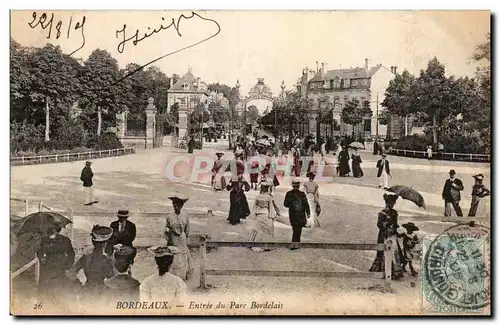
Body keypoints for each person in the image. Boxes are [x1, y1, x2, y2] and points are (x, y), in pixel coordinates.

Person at [68, 225, 115, 306]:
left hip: (87, 292)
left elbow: (71, 273)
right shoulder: (107, 260)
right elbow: (112, 279)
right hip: (102, 294)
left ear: (93, 242)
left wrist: (79, 285)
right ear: (105, 244)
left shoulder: (86, 257)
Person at [36, 225, 75, 307]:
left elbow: (71, 254)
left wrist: (68, 267)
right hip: (49, 266)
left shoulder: (64, 239)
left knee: (58, 288)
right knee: (48, 289)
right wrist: (41, 258)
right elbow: (39, 252)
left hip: (59, 267)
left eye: (53, 228)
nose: (51, 230)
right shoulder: (45, 239)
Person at [369, 192, 403, 280]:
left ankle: (395, 272)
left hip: (392, 235)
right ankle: (383, 271)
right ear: (387, 203)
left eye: (393, 204)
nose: (392, 205)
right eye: (390, 203)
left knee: (394, 252)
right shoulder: (382, 213)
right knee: (383, 252)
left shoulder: (395, 213)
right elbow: (379, 225)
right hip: (384, 235)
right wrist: (387, 222)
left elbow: (396, 224)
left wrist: (395, 228)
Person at [165, 195, 194, 281]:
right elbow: (166, 228)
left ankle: (182, 277)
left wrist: (185, 238)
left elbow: (187, 230)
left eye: (178, 206)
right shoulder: (169, 217)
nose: (176, 207)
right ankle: (174, 277)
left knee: (183, 257)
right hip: (173, 238)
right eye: (174, 206)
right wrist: (168, 232)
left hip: (182, 238)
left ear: (181, 206)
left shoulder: (185, 216)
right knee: (174, 257)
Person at [248, 181, 282, 252]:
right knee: (268, 229)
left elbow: (255, 206)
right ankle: (267, 245)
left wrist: (255, 213)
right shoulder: (269, 197)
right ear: (268, 189)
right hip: (266, 214)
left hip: (260, 214)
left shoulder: (258, 197)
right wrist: (273, 216)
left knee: (258, 228)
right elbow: (271, 208)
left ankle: (254, 243)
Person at [284, 178, 310, 250]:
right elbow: (306, 204)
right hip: (301, 214)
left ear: (292, 185)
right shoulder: (302, 194)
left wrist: (291, 203)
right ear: (298, 186)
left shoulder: (289, 194)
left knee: (294, 228)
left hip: (292, 213)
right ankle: (296, 243)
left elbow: (285, 204)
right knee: (299, 229)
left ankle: (294, 243)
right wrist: (308, 213)